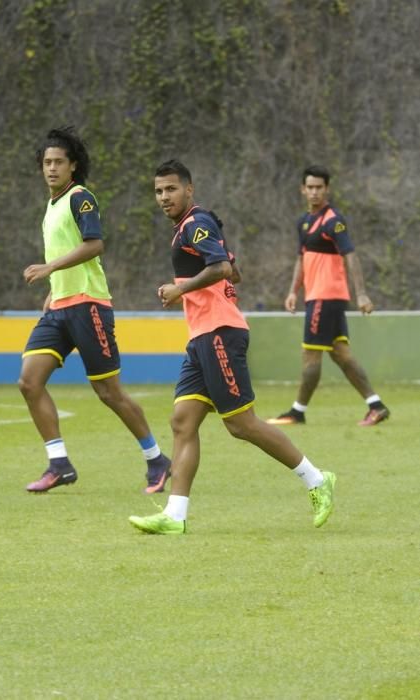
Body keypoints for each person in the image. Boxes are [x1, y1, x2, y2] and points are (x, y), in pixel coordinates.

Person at [129, 159, 335, 535]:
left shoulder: (195, 222)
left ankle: (317, 479)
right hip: (201, 336)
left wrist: (180, 288)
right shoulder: (192, 227)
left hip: (220, 333)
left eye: (171, 189)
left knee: (241, 424)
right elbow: (232, 270)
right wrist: (202, 281)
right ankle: (175, 516)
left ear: (188, 190)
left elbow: (222, 268)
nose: (164, 197)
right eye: (158, 191)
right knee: (182, 421)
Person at [19, 126, 170, 494]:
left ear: (72, 166)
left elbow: (95, 244)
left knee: (109, 393)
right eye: (46, 162)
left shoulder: (80, 198)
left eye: (58, 162)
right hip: (59, 308)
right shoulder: (51, 206)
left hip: (88, 306)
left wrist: (51, 268)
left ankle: (156, 459)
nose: (51, 168)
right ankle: (59, 464)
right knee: (29, 381)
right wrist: (54, 290)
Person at [267, 164, 390, 427]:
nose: (314, 192)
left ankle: (297, 412)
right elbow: (301, 258)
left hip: (327, 297)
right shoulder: (303, 222)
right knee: (341, 354)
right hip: (316, 296)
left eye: (319, 188)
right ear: (302, 189)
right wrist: (293, 291)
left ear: (327, 189)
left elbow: (351, 256)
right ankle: (376, 405)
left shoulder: (334, 221)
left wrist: (363, 294)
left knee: (311, 355)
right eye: (309, 187)